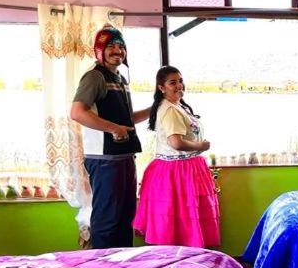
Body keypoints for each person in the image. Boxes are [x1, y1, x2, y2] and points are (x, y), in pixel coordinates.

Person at [70, 25, 150, 249]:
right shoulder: (94, 77)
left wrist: (155, 109)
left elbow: (126, 119)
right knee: (107, 221)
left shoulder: (120, 79)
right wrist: (114, 128)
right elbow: (77, 112)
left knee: (125, 219)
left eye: (121, 46)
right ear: (99, 50)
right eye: (111, 46)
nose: (117, 50)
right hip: (105, 160)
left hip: (124, 158)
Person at [133, 65, 220, 247]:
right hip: (178, 172)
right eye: (173, 83)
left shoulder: (175, 105)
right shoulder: (170, 110)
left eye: (180, 81)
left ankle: (182, 264)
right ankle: (182, 263)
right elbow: (176, 143)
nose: (179, 85)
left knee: (178, 221)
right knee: (179, 222)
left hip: (179, 168)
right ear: (161, 87)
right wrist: (201, 146)